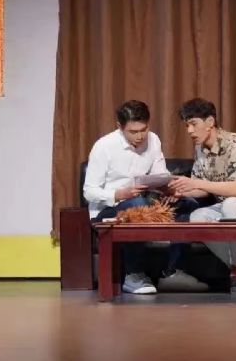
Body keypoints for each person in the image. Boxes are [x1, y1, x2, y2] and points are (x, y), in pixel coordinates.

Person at [84, 100, 208, 294]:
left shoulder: (153, 140)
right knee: (137, 204)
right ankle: (133, 275)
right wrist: (119, 194)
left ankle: (174, 271)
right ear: (119, 127)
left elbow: (159, 174)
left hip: (145, 200)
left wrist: (167, 189)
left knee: (187, 204)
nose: (140, 136)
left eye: (144, 130)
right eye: (133, 132)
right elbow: (89, 191)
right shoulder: (104, 147)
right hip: (108, 211)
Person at [169, 98, 236, 294]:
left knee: (231, 204)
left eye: (193, 124)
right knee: (197, 217)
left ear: (210, 122)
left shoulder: (234, 144)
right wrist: (181, 191)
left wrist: (196, 183)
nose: (189, 131)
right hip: (230, 208)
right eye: (187, 126)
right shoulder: (200, 149)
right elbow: (203, 188)